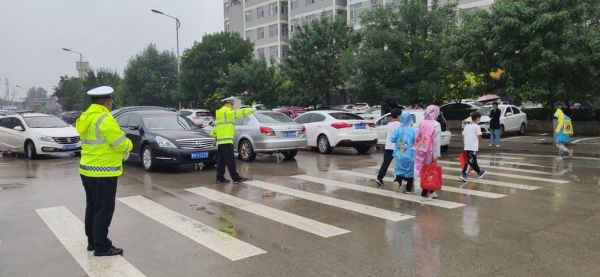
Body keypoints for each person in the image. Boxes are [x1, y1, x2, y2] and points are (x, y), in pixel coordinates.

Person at [76, 86, 133, 256]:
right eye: (111, 101)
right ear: (107, 102)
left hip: (87, 170)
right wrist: (129, 144)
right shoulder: (105, 119)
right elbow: (120, 143)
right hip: (104, 171)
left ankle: (92, 242)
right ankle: (102, 245)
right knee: (104, 209)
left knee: (92, 207)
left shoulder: (85, 117)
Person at [210, 96, 254, 184]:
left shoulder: (219, 113)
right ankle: (236, 178)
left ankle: (220, 178)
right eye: (232, 104)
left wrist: (217, 135)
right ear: (228, 104)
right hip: (226, 141)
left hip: (221, 141)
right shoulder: (227, 113)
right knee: (230, 161)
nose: (233, 106)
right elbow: (240, 112)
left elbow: (214, 130)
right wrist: (251, 109)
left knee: (221, 161)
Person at [414, 105, 442, 199]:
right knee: (430, 171)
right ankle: (425, 192)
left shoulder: (421, 123)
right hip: (430, 151)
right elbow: (436, 141)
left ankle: (432, 190)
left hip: (420, 149)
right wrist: (436, 154)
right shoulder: (436, 124)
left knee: (424, 170)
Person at [390, 112, 417, 193]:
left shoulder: (397, 129)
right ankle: (409, 189)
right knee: (410, 171)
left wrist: (400, 140)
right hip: (410, 151)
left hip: (400, 149)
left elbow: (392, 139)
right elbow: (417, 140)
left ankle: (397, 182)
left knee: (399, 169)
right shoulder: (414, 130)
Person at [376, 108, 402, 186]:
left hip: (388, 147)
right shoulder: (400, 125)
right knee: (400, 164)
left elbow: (386, 135)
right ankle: (397, 180)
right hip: (399, 147)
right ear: (398, 116)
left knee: (385, 163)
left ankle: (379, 178)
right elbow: (402, 137)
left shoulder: (389, 124)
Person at [459, 112, 487, 182]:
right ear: (477, 118)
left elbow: (463, 136)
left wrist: (464, 144)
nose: (479, 120)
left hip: (467, 146)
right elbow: (479, 136)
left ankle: (480, 173)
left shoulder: (467, 126)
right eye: (479, 118)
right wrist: (480, 143)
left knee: (473, 161)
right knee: (470, 161)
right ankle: (463, 174)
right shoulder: (477, 126)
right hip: (473, 146)